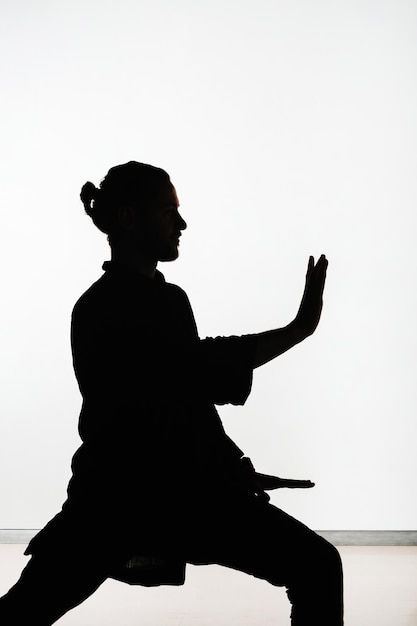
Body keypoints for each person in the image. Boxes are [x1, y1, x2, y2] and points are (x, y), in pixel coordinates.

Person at [0, 161, 343, 625]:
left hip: (161, 499)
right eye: (168, 212)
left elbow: (187, 399)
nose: (181, 224)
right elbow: (195, 374)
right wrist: (298, 329)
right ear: (128, 218)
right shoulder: (103, 307)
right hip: (122, 502)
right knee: (317, 566)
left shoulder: (167, 299)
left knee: (318, 565)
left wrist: (235, 474)